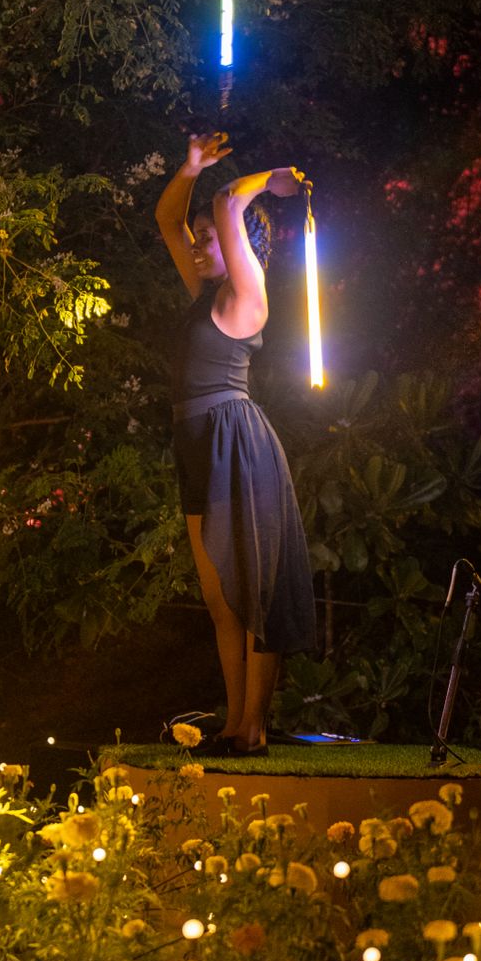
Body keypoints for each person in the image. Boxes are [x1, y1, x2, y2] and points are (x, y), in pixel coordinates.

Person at [154, 132, 317, 756]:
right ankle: (234, 726)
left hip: (236, 445)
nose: (198, 244)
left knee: (254, 594)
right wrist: (189, 164)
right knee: (221, 600)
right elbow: (170, 215)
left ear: (240, 248)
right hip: (195, 446)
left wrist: (272, 173)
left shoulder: (245, 298)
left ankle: (254, 728)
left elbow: (226, 204)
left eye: (210, 239)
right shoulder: (204, 298)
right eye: (197, 240)